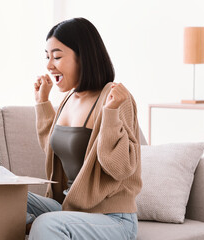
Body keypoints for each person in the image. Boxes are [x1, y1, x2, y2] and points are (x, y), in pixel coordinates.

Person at [28, 17, 142, 240]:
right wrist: (42, 103)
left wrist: (110, 113)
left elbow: (120, 168)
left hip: (113, 218)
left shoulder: (116, 97)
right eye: (47, 57)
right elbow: (53, 152)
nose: (49, 65)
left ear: (83, 57)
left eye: (58, 57)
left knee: (47, 225)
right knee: (8, 200)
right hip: (72, 209)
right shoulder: (68, 98)